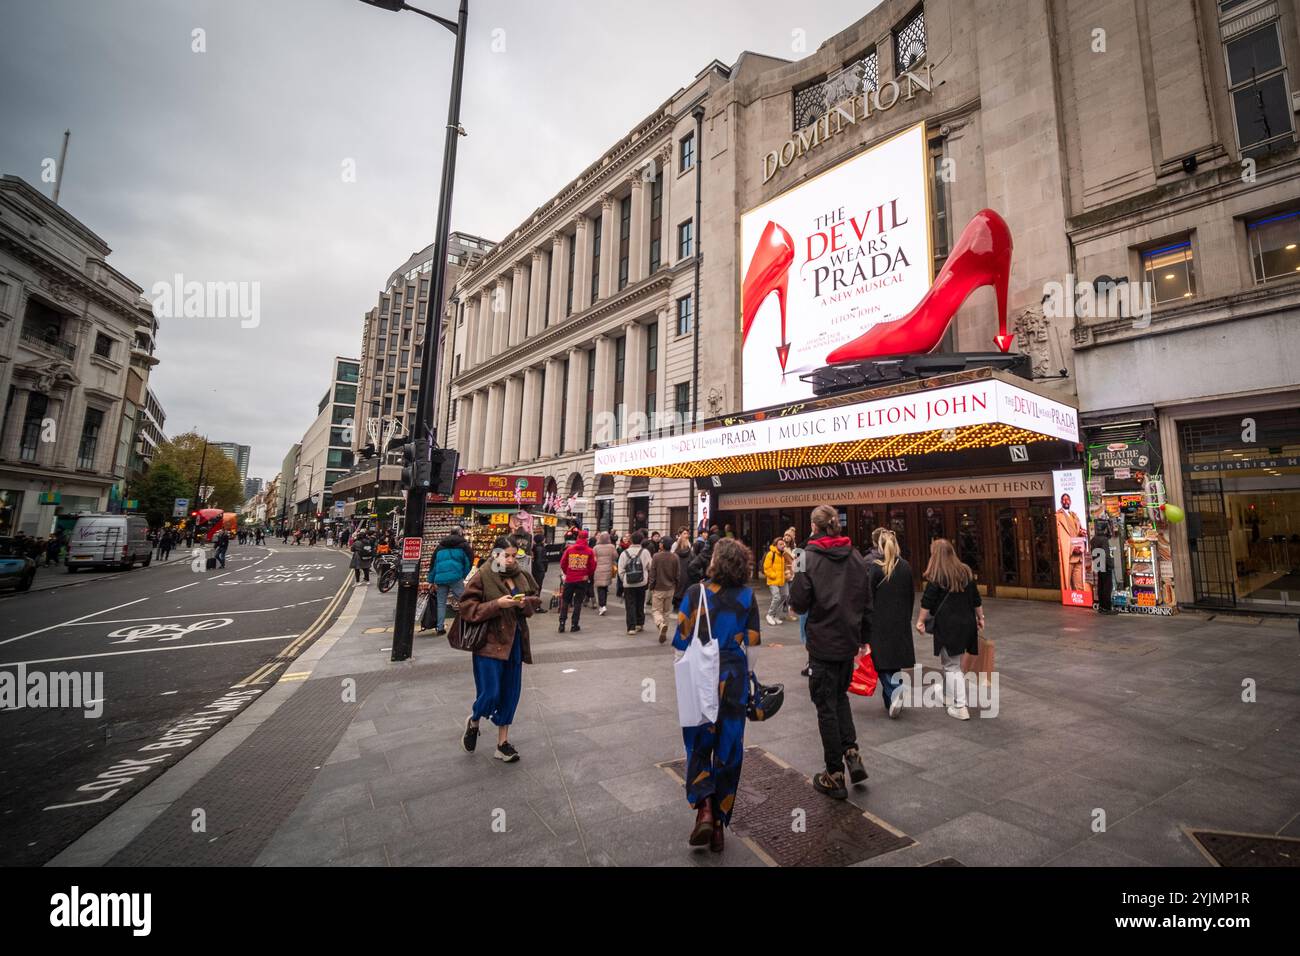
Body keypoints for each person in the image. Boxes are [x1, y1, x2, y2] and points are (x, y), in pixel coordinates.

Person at [672, 538, 761, 854]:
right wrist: (748, 677)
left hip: (701, 676)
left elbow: (681, 641)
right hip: (734, 675)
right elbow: (752, 645)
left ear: (715, 562)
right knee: (729, 747)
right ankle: (720, 823)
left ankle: (705, 807)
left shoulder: (696, 594)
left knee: (698, 742)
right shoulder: (748, 596)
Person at [789, 504, 872, 800]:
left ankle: (834, 774)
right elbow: (866, 600)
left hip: (822, 642)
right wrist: (864, 638)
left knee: (825, 705)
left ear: (814, 526)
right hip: (848, 640)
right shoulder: (855, 555)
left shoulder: (804, 558)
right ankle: (852, 753)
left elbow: (798, 603)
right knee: (840, 698)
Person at [459, 536, 541, 763]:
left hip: (513, 642)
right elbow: (467, 608)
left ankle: (502, 744)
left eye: (515, 555)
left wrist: (525, 604)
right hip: (489, 643)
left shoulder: (520, 575)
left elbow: (534, 602)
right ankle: (474, 720)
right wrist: (498, 605)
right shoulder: (483, 575)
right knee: (491, 692)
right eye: (507, 555)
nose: (512, 560)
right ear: (496, 554)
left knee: (510, 693)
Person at [915, 538, 984, 721]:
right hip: (966, 623)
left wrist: (920, 621)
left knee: (952, 665)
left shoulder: (937, 576)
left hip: (948, 626)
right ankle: (948, 696)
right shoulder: (965, 572)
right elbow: (976, 598)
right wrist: (981, 617)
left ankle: (960, 706)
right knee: (953, 662)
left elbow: (927, 602)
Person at [867, 529, 914, 719]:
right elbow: (910, 596)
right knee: (893, 661)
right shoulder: (906, 567)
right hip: (900, 621)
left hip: (879, 622)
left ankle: (895, 689)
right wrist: (907, 617)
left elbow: (868, 597)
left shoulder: (875, 567)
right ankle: (891, 700)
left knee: (880, 662)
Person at [430, 526, 474, 634]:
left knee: (441, 603)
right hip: (456, 577)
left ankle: (440, 628)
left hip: (440, 578)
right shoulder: (464, 545)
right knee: (462, 601)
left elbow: (433, 564)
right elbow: (469, 561)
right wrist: (463, 574)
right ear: (460, 533)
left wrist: (431, 580)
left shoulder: (440, 546)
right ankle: (466, 624)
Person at [558, 529, 595, 633]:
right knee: (578, 602)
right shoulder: (589, 551)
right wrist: (586, 574)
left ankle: (562, 623)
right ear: (586, 539)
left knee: (565, 601)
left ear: (577, 538)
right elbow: (592, 566)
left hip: (570, 578)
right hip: (582, 579)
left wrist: (568, 572)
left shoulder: (570, 549)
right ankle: (574, 624)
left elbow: (562, 563)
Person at [647, 533, 680, 643]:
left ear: (662, 545)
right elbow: (678, 574)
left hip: (658, 587)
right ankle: (664, 631)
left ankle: (660, 624)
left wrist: (651, 586)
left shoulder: (656, 556)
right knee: (666, 612)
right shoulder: (675, 557)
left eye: (661, 542)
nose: (659, 544)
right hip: (670, 588)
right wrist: (676, 585)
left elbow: (653, 573)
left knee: (656, 610)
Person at [618, 531, 651, 636]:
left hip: (628, 583)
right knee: (640, 603)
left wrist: (625, 579)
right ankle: (639, 623)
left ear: (631, 540)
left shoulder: (624, 553)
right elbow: (650, 566)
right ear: (641, 540)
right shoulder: (645, 552)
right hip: (642, 582)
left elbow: (620, 570)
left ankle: (631, 627)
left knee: (630, 605)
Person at [1055, 493, 1086, 592]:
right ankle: (1069, 600)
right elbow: (1060, 538)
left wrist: (1082, 534)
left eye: (1067, 499)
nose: (1066, 501)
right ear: (1061, 502)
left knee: (1079, 582)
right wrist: (1072, 549)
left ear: (1070, 501)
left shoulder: (1074, 515)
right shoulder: (1058, 516)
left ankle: (1080, 601)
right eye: (1063, 500)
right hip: (1068, 554)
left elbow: (1079, 531)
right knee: (1066, 582)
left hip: (1078, 555)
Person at [762, 537, 792, 626]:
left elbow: (787, 565)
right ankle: (770, 614)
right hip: (773, 580)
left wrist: (787, 573)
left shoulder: (783, 555)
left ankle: (775, 615)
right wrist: (773, 575)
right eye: (781, 544)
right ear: (776, 545)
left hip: (783, 580)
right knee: (776, 597)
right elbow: (766, 568)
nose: (783, 545)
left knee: (785, 595)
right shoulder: (771, 554)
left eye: (784, 544)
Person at [1091, 520, 1116, 614]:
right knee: (1107, 586)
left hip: (1098, 562)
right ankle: (1107, 608)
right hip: (1105, 563)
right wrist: (1111, 564)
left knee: (1101, 585)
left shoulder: (1094, 539)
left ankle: (1101, 606)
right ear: (1105, 529)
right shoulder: (1104, 539)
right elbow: (1106, 554)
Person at [592, 531, 617, 616]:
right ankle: (604, 604)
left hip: (598, 569)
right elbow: (615, 556)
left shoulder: (596, 547)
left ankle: (602, 605)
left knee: (600, 588)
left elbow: (593, 558)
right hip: (608, 569)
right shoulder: (611, 547)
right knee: (605, 587)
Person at [530, 531, 549, 596]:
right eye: (543, 539)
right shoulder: (540, 548)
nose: (544, 540)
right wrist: (542, 569)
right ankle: (536, 601)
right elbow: (539, 560)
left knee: (535, 585)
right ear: (541, 540)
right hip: (539, 570)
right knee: (538, 586)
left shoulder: (536, 547)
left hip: (536, 568)